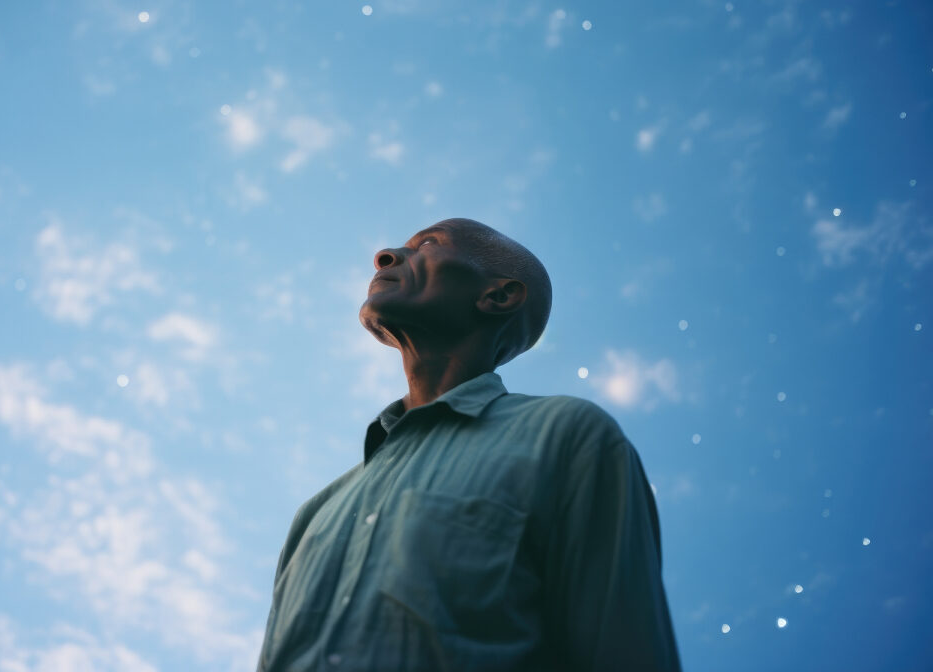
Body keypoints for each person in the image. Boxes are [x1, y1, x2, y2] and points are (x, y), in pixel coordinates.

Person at [257, 218, 682, 671]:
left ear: (498, 296)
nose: (385, 257)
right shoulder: (315, 513)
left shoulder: (567, 438)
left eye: (427, 245)